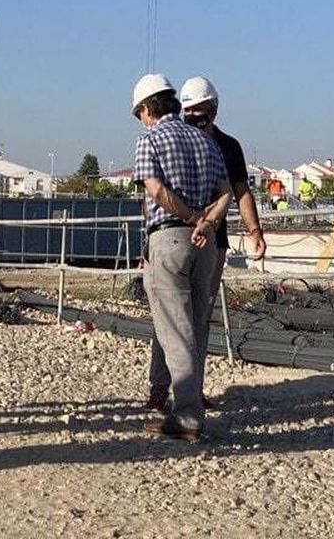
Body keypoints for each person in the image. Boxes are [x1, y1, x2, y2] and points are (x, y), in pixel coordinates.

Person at [144, 76, 266, 413]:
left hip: (209, 241)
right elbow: (153, 194)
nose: (199, 116)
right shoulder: (181, 139)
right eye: (193, 110)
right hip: (186, 236)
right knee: (168, 320)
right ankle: (162, 387)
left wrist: (253, 230)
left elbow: (239, 190)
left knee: (195, 320)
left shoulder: (225, 146)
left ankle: (190, 394)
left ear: (214, 109)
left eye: (203, 110)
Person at [129, 74, 231, 442]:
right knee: (197, 325)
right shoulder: (207, 142)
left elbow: (154, 190)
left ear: (146, 109)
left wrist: (190, 217)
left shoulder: (149, 141)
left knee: (174, 329)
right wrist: (207, 222)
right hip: (206, 243)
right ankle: (191, 403)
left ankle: (187, 415)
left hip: (170, 237)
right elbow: (226, 193)